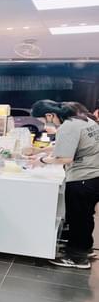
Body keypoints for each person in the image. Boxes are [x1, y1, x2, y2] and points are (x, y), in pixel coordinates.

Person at [30, 100, 99, 269]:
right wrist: (40, 151)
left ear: (49, 115)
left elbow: (66, 158)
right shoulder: (83, 119)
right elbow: (69, 146)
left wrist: (41, 161)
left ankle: (77, 258)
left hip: (83, 177)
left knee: (78, 218)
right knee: (85, 216)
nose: (44, 124)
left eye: (42, 120)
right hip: (94, 176)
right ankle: (84, 249)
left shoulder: (68, 126)